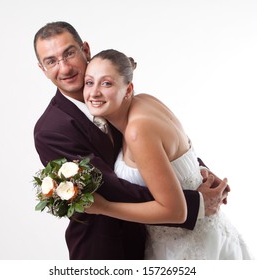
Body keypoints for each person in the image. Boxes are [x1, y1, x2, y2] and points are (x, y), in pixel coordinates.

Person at [33, 21, 228, 260]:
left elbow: (158, 142)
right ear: (42, 69)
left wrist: (199, 173)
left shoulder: (111, 92)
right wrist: (194, 203)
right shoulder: (51, 130)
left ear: (85, 49)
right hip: (107, 250)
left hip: (156, 240)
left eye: (69, 53)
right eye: (51, 61)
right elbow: (111, 188)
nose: (64, 68)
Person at [83, 49, 252, 259]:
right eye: (89, 82)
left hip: (183, 249)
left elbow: (176, 211)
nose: (94, 92)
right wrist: (202, 171)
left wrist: (104, 207)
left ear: (128, 89)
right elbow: (181, 156)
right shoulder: (146, 101)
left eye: (106, 83)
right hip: (212, 235)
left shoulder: (137, 131)